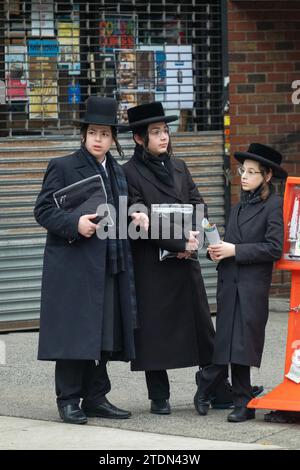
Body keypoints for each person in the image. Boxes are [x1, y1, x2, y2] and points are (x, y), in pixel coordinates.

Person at [121, 101, 240, 415]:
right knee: (153, 332)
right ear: (138, 138)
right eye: (156, 132)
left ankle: (216, 388)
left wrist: (199, 239)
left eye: (165, 131)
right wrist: (177, 238)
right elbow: (136, 217)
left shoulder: (180, 166)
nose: (164, 137)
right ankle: (159, 396)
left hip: (186, 259)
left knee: (203, 329)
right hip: (152, 265)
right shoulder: (127, 173)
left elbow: (198, 205)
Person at [34, 96, 137, 424]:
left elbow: (121, 214)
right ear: (83, 135)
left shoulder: (118, 172)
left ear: (112, 139)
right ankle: (68, 400)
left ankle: (95, 397)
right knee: (73, 335)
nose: (98, 139)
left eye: (105, 134)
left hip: (109, 264)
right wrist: (74, 225)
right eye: (93, 132)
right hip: (74, 266)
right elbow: (44, 210)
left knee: (103, 335)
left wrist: (138, 217)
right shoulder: (63, 166)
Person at [196, 143, 288, 422]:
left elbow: (273, 248)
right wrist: (217, 251)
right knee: (226, 341)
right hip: (228, 282)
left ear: (267, 176)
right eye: (242, 171)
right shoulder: (237, 207)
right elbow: (230, 242)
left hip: (251, 286)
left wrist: (234, 250)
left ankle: (239, 399)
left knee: (243, 345)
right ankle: (229, 394)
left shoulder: (274, 206)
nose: (244, 176)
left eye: (251, 172)